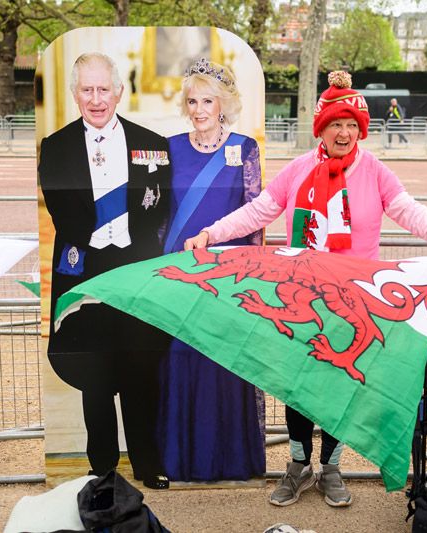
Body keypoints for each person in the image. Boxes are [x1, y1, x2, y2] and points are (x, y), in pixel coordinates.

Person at [183, 71, 427, 508]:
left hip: (353, 297)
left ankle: (332, 466)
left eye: (352, 125)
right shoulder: (299, 170)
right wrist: (211, 233)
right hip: (300, 292)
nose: (344, 133)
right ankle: (298, 465)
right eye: (336, 124)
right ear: (321, 128)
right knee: (298, 383)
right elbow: (259, 211)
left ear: (361, 129)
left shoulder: (374, 171)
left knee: (341, 383)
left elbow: (407, 210)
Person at [38, 52, 171, 490]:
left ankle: (147, 463)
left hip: (135, 270)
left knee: (141, 371)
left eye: (103, 89)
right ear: (76, 94)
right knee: (94, 374)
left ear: (118, 91)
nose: (96, 99)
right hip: (87, 270)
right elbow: (63, 212)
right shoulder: (55, 147)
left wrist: (130, 243)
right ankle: (102, 467)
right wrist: (98, 243)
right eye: (87, 90)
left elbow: (160, 208)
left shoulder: (152, 142)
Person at [158, 58, 266, 482]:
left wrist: (250, 276)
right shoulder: (169, 147)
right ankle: (181, 460)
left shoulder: (246, 147)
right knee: (182, 361)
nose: (199, 109)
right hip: (181, 274)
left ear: (224, 103)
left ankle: (230, 460)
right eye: (192, 101)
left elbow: (256, 216)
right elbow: (164, 217)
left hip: (227, 277)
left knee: (224, 363)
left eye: (207, 100)